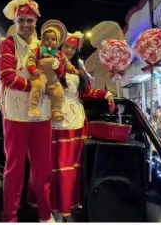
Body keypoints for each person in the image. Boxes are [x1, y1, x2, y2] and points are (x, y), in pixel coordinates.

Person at [0, 0, 53, 223]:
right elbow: (6, 76)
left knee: (43, 170)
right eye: (22, 20)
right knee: (14, 169)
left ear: (36, 21)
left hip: (42, 116)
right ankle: (10, 217)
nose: (26, 25)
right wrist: (35, 87)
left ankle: (45, 214)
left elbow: (54, 73)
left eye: (30, 20)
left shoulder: (43, 47)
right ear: (15, 22)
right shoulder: (8, 43)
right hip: (16, 115)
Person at [49, 31, 114, 221]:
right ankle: (53, 206)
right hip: (55, 118)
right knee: (55, 165)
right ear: (60, 47)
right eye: (65, 47)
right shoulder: (51, 61)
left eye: (71, 47)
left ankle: (69, 206)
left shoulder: (79, 67)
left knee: (73, 166)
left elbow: (86, 92)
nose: (68, 50)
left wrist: (105, 94)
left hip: (76, 119)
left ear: (76, 50)